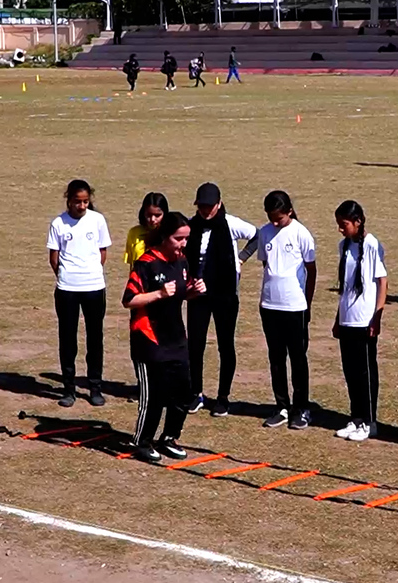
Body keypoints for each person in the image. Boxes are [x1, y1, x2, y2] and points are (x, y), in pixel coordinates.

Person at [122, 212, 207, 463]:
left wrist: (193, 292)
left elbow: (180, 294)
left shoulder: (181, 261)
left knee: (183, 391)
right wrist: (158, 293)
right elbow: (129, 300)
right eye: (178, 239)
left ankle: (169, 437)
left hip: (176, 338)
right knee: (154, 395)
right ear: (164, 236)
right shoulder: (146, 263)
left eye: (186, 239)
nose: (183, 244)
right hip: (149, 339)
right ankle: (142, 440)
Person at [185, 182, 259, 417]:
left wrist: (241, 259)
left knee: (225, 345)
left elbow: (256, 236)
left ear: (218, 204)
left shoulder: (230, 224)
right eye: (201, 206)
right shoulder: (192, 225)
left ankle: (223, 398)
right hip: (198, 294)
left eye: (209, 206)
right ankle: (195, 393)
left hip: (225, 295)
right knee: (194, 344)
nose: (205, 211)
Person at [47, 179, 112, 408]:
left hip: (94, 287)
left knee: (95, 338)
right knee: (68, 338)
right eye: (77, 201)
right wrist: (66, 275)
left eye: (85, 201)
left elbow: (102, 252)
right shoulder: (59, 224)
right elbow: (54, 257)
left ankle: (95, 387)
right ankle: (68, 388)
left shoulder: (97, 220)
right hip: (67, 289)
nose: (82, 206)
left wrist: (91, 272)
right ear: (69, 200)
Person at [256, 190, 316, 430]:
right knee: (276, 358)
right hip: (269, 304)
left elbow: (311, 271)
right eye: (270, 217)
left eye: (278, 217)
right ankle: (281, 405)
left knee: (298, 358)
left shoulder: (302, 234)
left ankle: (301, 408)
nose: (274, 222)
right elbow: (265, 263)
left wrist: (307, 302)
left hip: (295, 306)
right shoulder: (265, 232)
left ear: (289, 211)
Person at [331, 201, 388, 443]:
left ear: (358, 222)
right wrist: (337, 317)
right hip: (347, 319)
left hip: (365, 320)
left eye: (344, 224)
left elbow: (382, 282)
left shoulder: (373, 244)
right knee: (350, 371)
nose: (341, 229)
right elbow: (344, 287)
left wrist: (377, 315)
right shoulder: (343, 246)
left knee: (365, 372)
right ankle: (356, 417)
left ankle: (369, 421)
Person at [125, 192, 167, 268]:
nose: (152, 219)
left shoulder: (170, 235)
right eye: (149, 215)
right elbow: (132, 265)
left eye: (157, 215)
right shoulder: (134, 233)